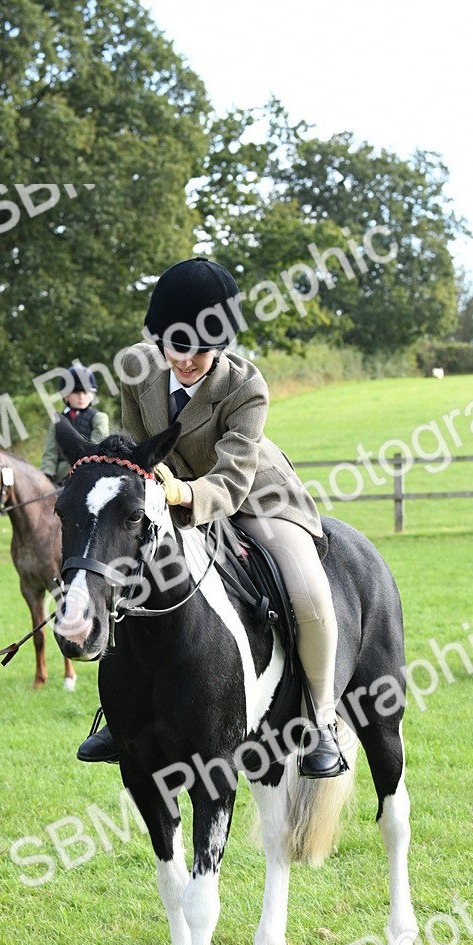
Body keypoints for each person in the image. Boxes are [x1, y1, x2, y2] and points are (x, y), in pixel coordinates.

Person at [77, 256, 346, 779]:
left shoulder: (248, 387)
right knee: (125, 576)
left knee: (310, 594)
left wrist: (179, 492)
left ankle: (321, 721)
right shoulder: (137, 368)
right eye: (176, 348)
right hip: (167, 493)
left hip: (256, 498)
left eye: (200, 351)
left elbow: (231, 480)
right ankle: (118, 714)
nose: (186, 361)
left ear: (222, 345)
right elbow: (138, 449)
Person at [42, 365, 109, 483]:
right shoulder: (58, 421)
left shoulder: (99, 418)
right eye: (76, 393)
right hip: (61, 475)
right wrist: (47, 474)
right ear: (66, 395)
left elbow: (96, 447)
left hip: (89, 471)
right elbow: (50, 452)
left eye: (85, 392)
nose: (81, 397)